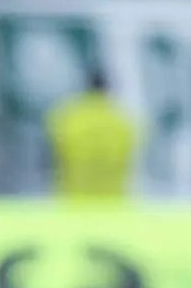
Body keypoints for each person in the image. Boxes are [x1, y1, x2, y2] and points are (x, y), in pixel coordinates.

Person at [45, 67, 140, 198]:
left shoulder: (66, 119)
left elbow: (53, 160)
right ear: (108, 89)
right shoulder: (124, 122)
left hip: (74, 201)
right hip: (114, 201)